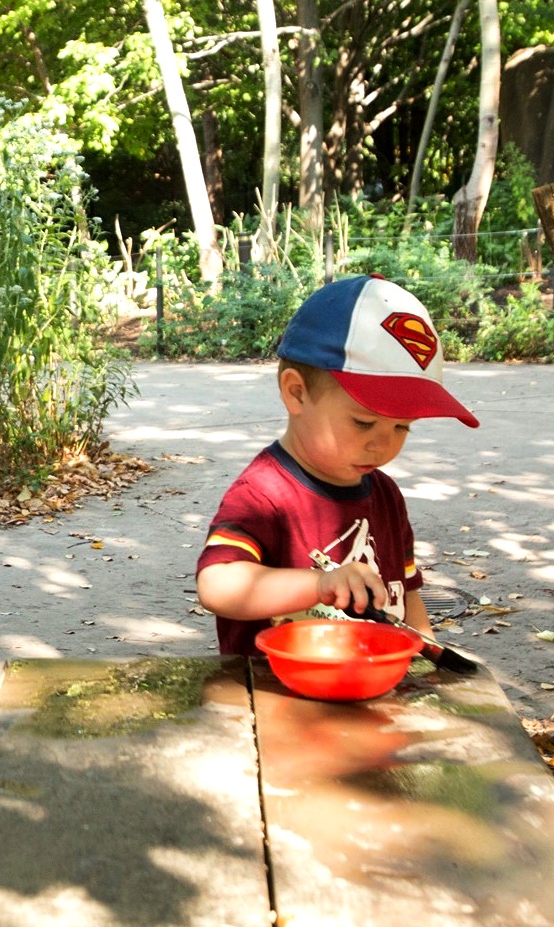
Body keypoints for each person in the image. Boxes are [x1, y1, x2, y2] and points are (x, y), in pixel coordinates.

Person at [194, 275, 479, 657]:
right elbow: (217, 584)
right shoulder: (263, 493)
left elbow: (407, 596)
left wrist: (430, 657)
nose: (383, 444)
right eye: (363, 422)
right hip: (276, 700)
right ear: (296, 392)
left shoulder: (386, 496)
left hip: (372, 691)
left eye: (402, 427)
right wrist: (319, 584)